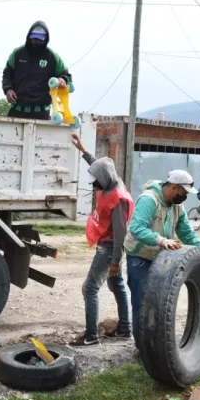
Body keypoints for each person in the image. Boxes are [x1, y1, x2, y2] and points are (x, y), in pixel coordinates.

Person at [123, 170, 200, 345]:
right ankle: (141, 347)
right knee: (142, 303)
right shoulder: (149, 200)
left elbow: (187, 233)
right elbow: (136, 228)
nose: (185, 197)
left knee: (158, 303)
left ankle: (154, 345)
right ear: (174, 187)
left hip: (160, 259)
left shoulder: (176, 206)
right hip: (139, 257)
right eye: (183, 193)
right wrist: (161, 240)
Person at [69, 134, 134, 347]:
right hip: (107, 246)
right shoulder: (109, 180)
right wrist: (83, 150)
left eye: (96, 181)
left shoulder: (118, 199)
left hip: (109, 249)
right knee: (116, 284)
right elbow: (100, 167)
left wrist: (115, 262)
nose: (94, 184)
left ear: (104, 179)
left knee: (90, 288)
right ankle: (125, 329)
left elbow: (121, 235)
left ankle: (91, 336)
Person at [2, 21, 72, 120]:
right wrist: (8, 89)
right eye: (34, 39)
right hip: (17, 109)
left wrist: (63, 79)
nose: (36, 42)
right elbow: (7, 74)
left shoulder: (52, 57)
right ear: (29, 37)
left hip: (41, 112)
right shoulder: (18, 53)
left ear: (45, 40)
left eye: (40, 40)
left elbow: (66, 75)